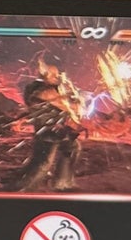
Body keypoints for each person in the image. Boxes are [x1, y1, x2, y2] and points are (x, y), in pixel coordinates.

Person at [10, 58, 85, 192]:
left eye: (57, 74)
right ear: (44, 76)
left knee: (72, 147)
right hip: (48, 132)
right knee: (43, 163)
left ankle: (62, 183)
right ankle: (22, 189)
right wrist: (74, 101)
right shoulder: (44, 91)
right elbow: (68, 106)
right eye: (53, 75)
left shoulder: (47, 89)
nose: (57, 77)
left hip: (57, 130)